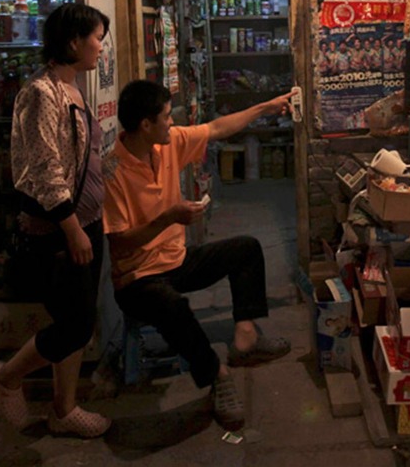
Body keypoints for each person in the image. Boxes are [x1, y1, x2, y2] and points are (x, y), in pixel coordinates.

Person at [102, 80, 294, 432]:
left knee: (247, 249)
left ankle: (245, 337)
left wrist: (265, 108)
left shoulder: (167, 144)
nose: (172, 123)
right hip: (137, 279)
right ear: (145, 125)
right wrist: (168, 218)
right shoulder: (113, 170)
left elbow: (218, 128)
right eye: (165, 117)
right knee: (172, 306)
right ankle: (215, 375)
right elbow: (120, 245)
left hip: (176, 260)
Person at [0, 2, 112, 438]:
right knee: (76, 326)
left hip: (87, 222)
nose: (101, 46)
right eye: (97, 37)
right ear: (74, 41)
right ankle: (6, 377)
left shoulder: (73, 87)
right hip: (60, 229)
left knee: (75, 320)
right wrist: (73, 229)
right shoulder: (42, 92)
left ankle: (64, 409)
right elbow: (44, 168)